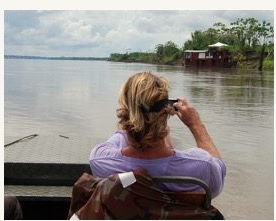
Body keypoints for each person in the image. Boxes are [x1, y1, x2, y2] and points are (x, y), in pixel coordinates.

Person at [89, 71, 226, 198]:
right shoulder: (201, 165)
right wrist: (196, 125)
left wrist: (138, 118)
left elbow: (120, 137)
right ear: (167, 110)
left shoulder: (100, 160)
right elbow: (219, 170)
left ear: (126, 111)